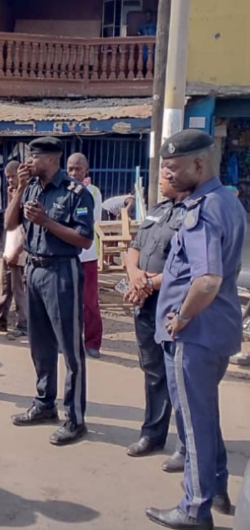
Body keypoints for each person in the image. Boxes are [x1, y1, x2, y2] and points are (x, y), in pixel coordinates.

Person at [145, 130, 244, 530]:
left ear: (199, 165)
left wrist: (181, 318)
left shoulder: (203, 210)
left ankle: (194, 508)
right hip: (215, 331)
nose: (166, 174)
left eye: (172, 167)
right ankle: (215, 488)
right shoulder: (227, 201)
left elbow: (206, 280)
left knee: (193, 421)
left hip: (194, 335)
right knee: (204, 414)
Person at [6, 136, 93, 446]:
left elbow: (84, 240)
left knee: (70, 349)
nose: (30, 161)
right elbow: (8, 224)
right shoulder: (29, 187)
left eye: (36, 157)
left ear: (53, 159)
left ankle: (75, 418)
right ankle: (45, 404)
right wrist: (17, 190)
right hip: (34, 269)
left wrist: (46, 221)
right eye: (30, 155)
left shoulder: (76, 193)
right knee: (39, 344)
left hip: (62, 271)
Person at [123, 168, 187, 462]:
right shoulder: (157, 210)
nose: (159, 180)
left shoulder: (191, 214)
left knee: (180, 378)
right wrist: (136, 276)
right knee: (153, 372)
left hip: (173, 305)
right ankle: (153, 434)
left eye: (164, 176)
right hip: (145, 302)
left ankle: (187, 445)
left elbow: (188, 268)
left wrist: (149, 284)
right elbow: (134, 248)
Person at [66, 153, 104, 358]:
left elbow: (87, 221)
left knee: (89, 301)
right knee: (66, 301)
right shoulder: (61, 189)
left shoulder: (93, 192)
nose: (73, 173)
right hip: (65, 255)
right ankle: (69, 341)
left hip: (87, 256)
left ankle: (92, 342)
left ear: (86, 170)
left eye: (78, 169)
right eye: (70, 169)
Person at [0, 161, 29, 340]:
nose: (10, 180)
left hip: (19, 250)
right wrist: (10, 198)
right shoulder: (14, 193)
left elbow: (28, 228)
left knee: (18, 288)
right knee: (6, 287)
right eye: (7, 177)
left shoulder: (27, 194)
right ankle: (0, 320)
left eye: (12, 176)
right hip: (9, 246)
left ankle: (23, 324)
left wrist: (17, 251)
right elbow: (10, 219)